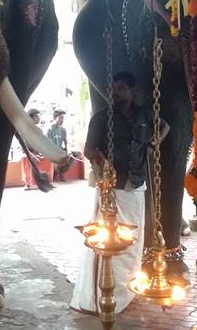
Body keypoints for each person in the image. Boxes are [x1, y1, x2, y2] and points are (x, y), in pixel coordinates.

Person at [70, 71, 169, 314]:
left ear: (132, 90)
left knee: (132, 241)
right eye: (113, 88)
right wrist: (102, 163)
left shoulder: (143, 113)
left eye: (121, 88)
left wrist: (155, 142)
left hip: (136, 183)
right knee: (107, 240)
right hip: (110, 188)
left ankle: (127, 292)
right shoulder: (102, 118)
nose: (115, 92)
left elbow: (165, 126)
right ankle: (100, 295)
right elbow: (90, 149)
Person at [21, 109, 53, 190]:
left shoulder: (39, 130)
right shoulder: (24, 129)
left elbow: (42, 144)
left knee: (49, 159)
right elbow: (24, 146)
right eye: (36, 116)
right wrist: (32, 155)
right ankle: (29, 184)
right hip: (27, 152)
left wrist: (43, 153)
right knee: (28, 159)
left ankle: (45, 182)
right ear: (30, 118)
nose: (39, 118)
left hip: (36, 152)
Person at [47, 110, 68, 182]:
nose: (62, 120)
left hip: (60, 150)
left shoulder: (63, 129)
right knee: (56, 157)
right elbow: (48, 144)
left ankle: (61, 172)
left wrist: (67, 150)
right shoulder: (49, 129)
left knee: (75, 155)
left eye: (63, 118)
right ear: (55, 118)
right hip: (52, 151)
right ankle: (57, 174)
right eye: (60, 118)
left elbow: (65, 141)